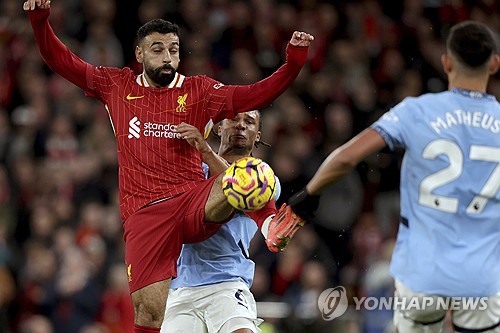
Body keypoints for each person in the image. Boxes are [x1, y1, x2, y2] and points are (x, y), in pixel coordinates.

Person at [23, 1, 313, 332]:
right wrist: (40, 21)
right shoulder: (118, 86)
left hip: (190, 201)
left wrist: (293, 62)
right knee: (148, 315)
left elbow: (254, 95)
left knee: (246, 173)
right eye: (157, 49)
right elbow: (64, 62)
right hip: (145, 213)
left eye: (173, 50)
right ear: (139, 54)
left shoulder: (199, 91)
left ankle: (270, 224)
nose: (167, 57)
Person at [282, 21, 500, 332]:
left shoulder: (416, 111)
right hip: (483, 271)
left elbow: (346, 157)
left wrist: (309, 192)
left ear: (447, 62)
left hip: (424, 268)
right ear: (494, 63)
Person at [161, 110, 279, 333]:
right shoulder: (192, 170)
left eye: (249, 122)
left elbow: (238, 185)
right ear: (218, 127)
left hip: (227, 282)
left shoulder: (264, 179)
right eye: (234, 119)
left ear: (257, 135)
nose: (241, 125)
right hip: (180, 287)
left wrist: (205, 150)